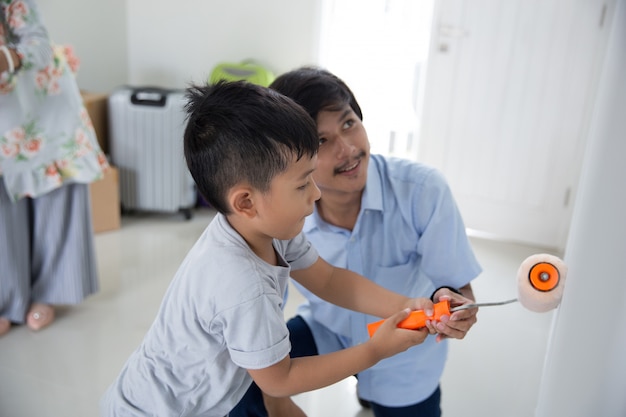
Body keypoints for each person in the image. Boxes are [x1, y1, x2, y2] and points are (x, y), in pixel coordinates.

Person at [99, 80, 440, 416]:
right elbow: (280, 380)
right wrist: (373, 351)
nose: (316, 193)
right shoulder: (242, 283)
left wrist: (408, 304)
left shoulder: (267, 227)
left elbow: (329, 279)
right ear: (246, 201)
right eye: (302, 183)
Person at [232, 67, 483, 417]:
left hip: (406, 357)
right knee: (241, 385)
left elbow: (460, 291)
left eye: (349, 123)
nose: (348, 149)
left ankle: (373, 393)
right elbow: (267, 320)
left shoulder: (423, 191)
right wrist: (277, 399)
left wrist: (458, 309)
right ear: (288, 160)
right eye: (321, 141)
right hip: (328, 331)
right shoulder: (279, 217)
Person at [0, 0, 108, 336]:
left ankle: (47, 293)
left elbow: (40, 47)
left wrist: (7, 57)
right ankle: (6, 299)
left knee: (53, 201)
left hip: (41, 106)